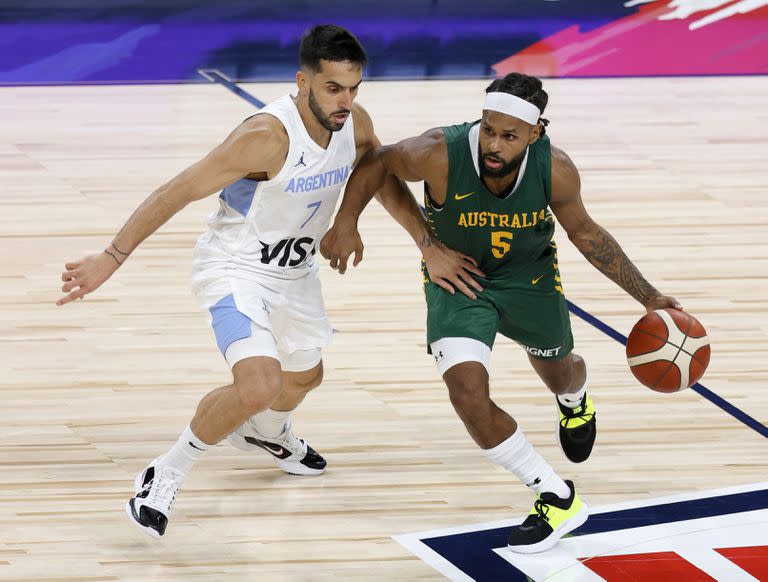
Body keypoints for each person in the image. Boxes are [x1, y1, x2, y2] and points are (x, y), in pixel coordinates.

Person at [56, 24, 477, 539]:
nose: (345, 100)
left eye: (353, 88)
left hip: (296, 272)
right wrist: (110, 257)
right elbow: (177, 190)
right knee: (259, 384)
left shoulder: (354, 122)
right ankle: (164, 471)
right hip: (234, 267)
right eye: (332, 88)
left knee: (304, 378)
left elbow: (377, 173)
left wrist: (413, 242)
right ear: (303, 81)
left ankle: (268, 434)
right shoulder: (265, 137)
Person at [320, 72, 682, 553]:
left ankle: (575, 402)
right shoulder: (437, 151)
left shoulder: (555, 170)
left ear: (536, 133)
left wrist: (649, 297)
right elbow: (376, 164)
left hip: (529, 280)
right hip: (458, 278)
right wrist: (352, 223)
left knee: (560, 374)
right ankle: (554, 494)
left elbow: (587, 235)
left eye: (509, 135)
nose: (493, 143)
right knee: (467, 393)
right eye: (488, 129)